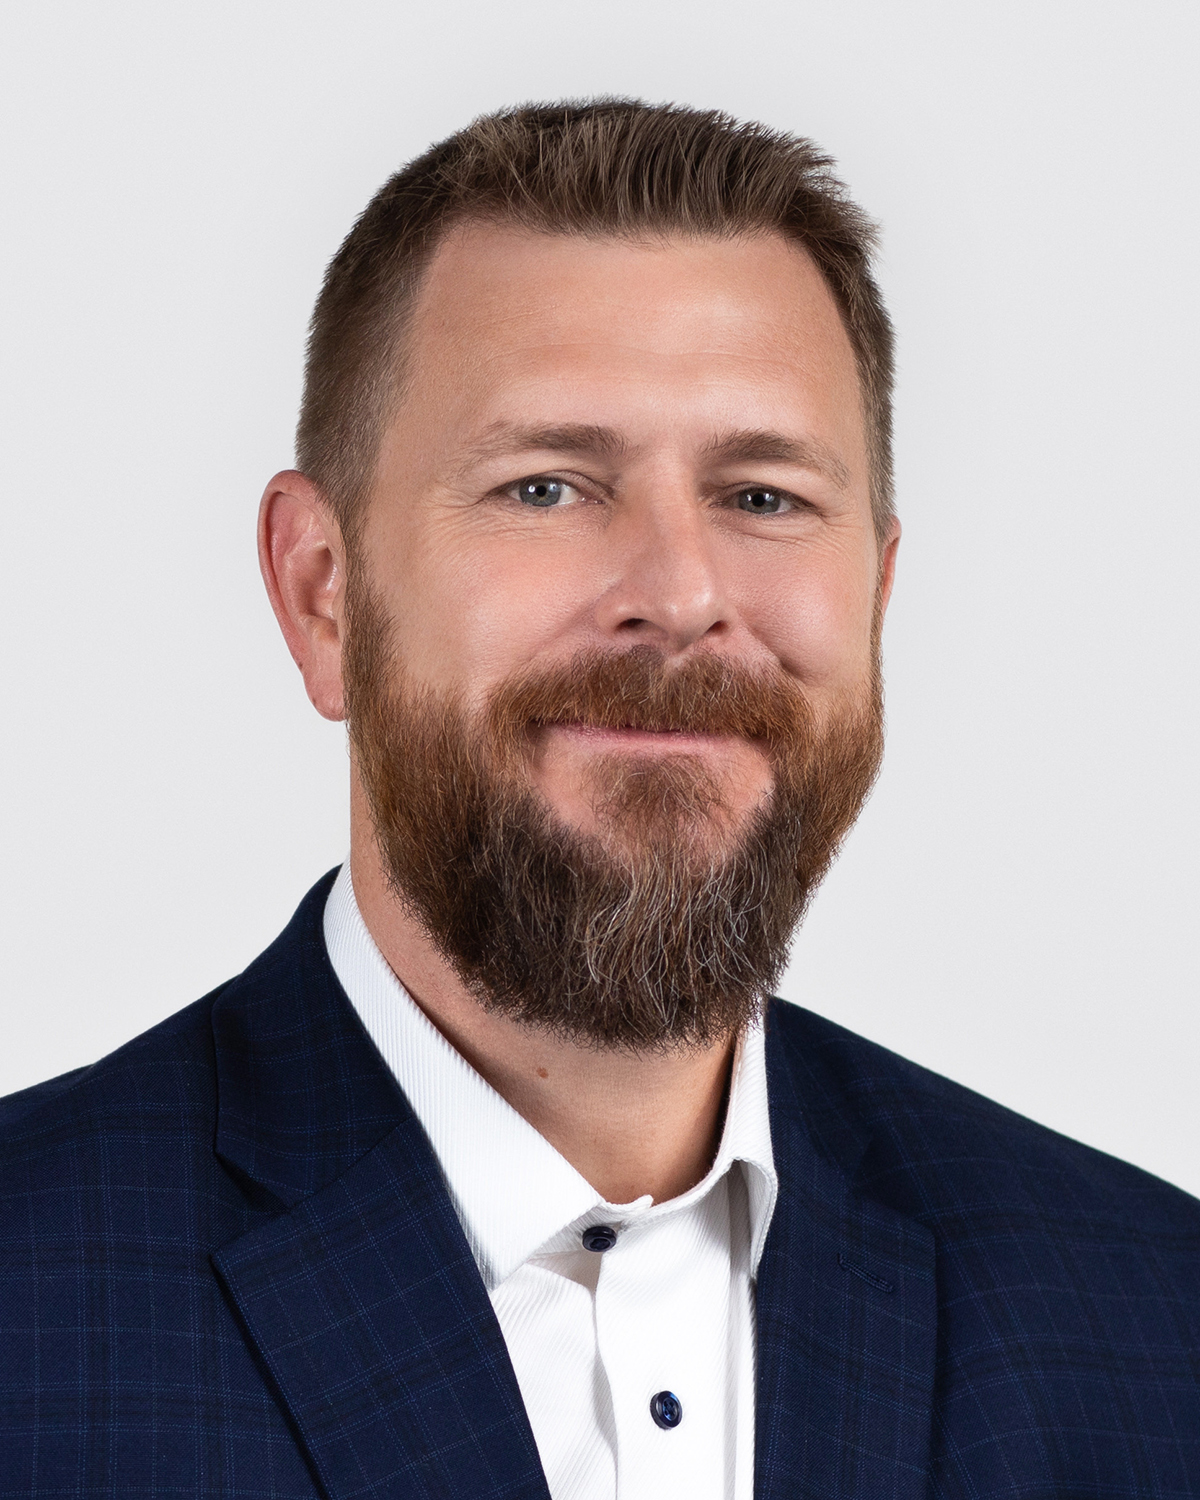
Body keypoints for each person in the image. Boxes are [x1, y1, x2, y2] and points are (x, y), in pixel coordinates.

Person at [1, 99, 1196, 1500]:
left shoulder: (1153, 1321)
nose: (681, 597)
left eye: (763, 497)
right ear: (324, 593)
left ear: (877, 592)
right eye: (547, 488)